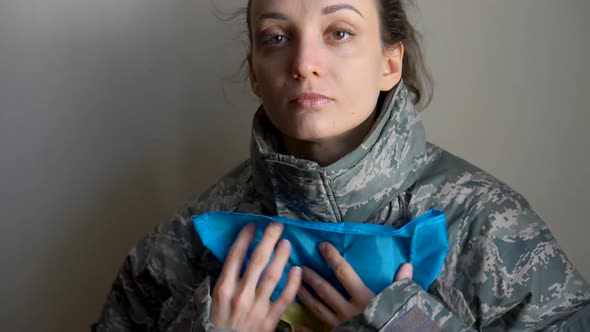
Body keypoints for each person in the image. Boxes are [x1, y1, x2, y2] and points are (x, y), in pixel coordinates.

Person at [93, 0, 590, 331]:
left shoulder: (489, 226)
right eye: (276, 37)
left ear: (389, 64)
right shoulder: (186, 239)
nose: (305, 62)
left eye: (339, 32)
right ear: (254, 74)